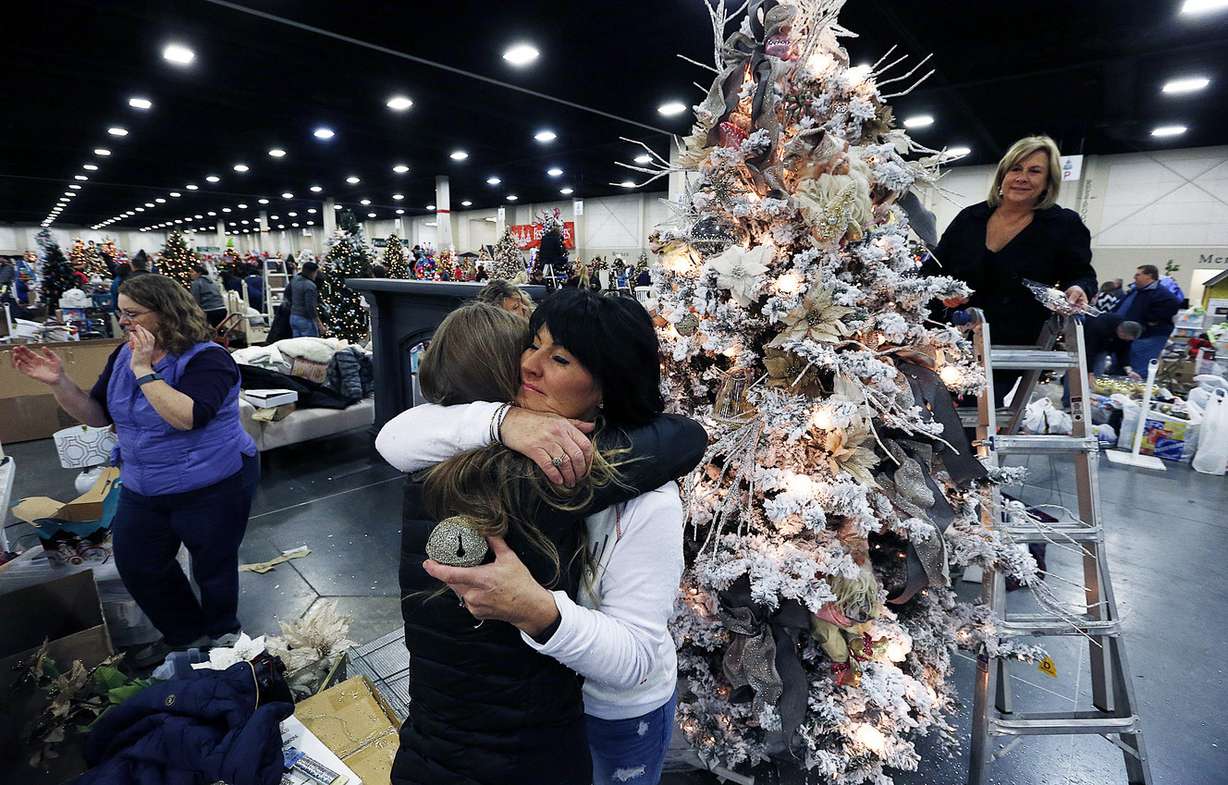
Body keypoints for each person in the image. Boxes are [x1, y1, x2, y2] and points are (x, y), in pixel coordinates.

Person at [376, 294, 707, 785]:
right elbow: (393, 438)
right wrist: (503, 421)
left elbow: (637, 660)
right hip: (547, 714)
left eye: (559, 358)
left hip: (613, 714)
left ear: (606, 386)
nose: (528, 365)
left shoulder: (644, 498)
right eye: (532, 345)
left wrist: (538, 611)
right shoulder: (504, 454)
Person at [10, 274, 258, 660]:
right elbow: (96, 415)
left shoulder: (209, 358)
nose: (123, 321)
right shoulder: (123, 355)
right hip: (145, 484)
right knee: (138, 563)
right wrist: (59, 383)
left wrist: (145, 369)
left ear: (166, 313)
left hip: (213, 483)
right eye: (121, 313)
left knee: (213, 565)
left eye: (133, 313)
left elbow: (187, 417)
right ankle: (186, 634)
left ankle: (224, 634)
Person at [924, 135, 1096, 402]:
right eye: (1016, 168)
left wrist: (1078, 288)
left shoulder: (1063, 225)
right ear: (1003, 174)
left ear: (1049, 181)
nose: (1022, 177)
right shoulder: (971, 217)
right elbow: (935, 268)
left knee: (976, 417)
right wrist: (942, 293)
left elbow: (1082, 274)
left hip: (1008, 347)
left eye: (1034, 171)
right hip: (949, 338)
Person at [1114, 264, 1181, 371]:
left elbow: (1174, 304)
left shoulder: (1161, 293)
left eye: (1138, 274)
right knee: (1122, 365)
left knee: (1138, 368)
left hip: (1147, 337)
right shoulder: (1137, 290)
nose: (1134, 277)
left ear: (1149, 276)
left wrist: (1151, 320)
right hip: (1128, 335)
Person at [1082, 313, 1142, 378]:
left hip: (1103, 348)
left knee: (1098, 372)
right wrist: (1090, 373)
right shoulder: (1100, 328)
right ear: (1122, 333)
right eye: (1126, 339)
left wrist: (1129, 371)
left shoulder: (1126, 336)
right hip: (1087, 341)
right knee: (1085, 371)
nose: (1127, 341)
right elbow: (1090, 351)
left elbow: (1124, 351)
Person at [288, 261, 325, 338]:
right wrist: (319, 324)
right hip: (305, 320)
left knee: (298, 345)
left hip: (293, 317)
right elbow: (310, 307)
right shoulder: (310, 286)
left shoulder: (295, 280)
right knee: (310, 345)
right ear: (312, 273)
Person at [189, 264, 228, 328]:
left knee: (206, 329)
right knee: (218, 328)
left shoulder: (196, 283)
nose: (190, 274)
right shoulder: (212, 281)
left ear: (199, 273)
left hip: (209, 310)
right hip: (222, 309)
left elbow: (195, 299)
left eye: (192, 272)